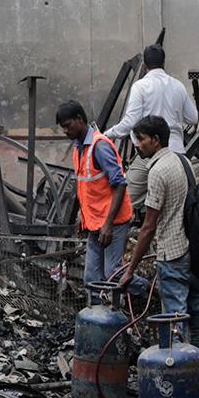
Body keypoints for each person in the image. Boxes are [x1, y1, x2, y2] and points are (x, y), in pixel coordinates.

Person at [116, 114, 199, 354]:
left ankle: (179, 376)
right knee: (197, 314)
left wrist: (130, 269)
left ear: (155, 140)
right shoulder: (183, 161)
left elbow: (148, 226)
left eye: (141, 139)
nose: (137, 144)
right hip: (195, 250)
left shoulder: (157, 172)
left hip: (173, 254)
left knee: (175, 319)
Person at [56, 100, 132, 290]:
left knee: (112, 274)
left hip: (113, 222)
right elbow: (87, 189)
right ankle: (99, 316)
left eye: (67, 126)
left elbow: (120, 184)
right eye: (62, 127)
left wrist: (108, 224)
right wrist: (84, 221)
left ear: (80, 119)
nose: (65, 131)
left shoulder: (100, 146)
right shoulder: (78, 149)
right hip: (95, 224)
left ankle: (151, 291)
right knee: (91, 279)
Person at [108, 44, 199, 151]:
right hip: (177, 151)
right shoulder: (178, 86)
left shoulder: (140, 87)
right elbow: (193, 118)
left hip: (152, 152)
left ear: (145, 65)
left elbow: (130, 122)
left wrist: (107, 135)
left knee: (130, 168)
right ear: (163, 63)